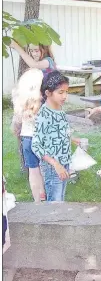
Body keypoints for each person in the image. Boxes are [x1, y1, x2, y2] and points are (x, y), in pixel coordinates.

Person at [31, 71, 80, 202]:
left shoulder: (59, 110)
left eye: (66, 92)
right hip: (53, 167)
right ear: (48, 93)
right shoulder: (44, 116)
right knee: (55, 203)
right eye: (60, 92)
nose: (65, 96)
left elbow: (59, 132)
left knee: (60, 200)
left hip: (64, 163)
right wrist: (55, 165)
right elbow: (36, 145)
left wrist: (72, 139)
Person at [11, 69, 46, 202]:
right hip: (41, 139)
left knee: (33, 170)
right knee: (45, 169)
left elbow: (17, 121)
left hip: (26, 139)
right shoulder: (43, 100)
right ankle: (45, 196)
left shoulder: (20, 100)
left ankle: (37, 200)